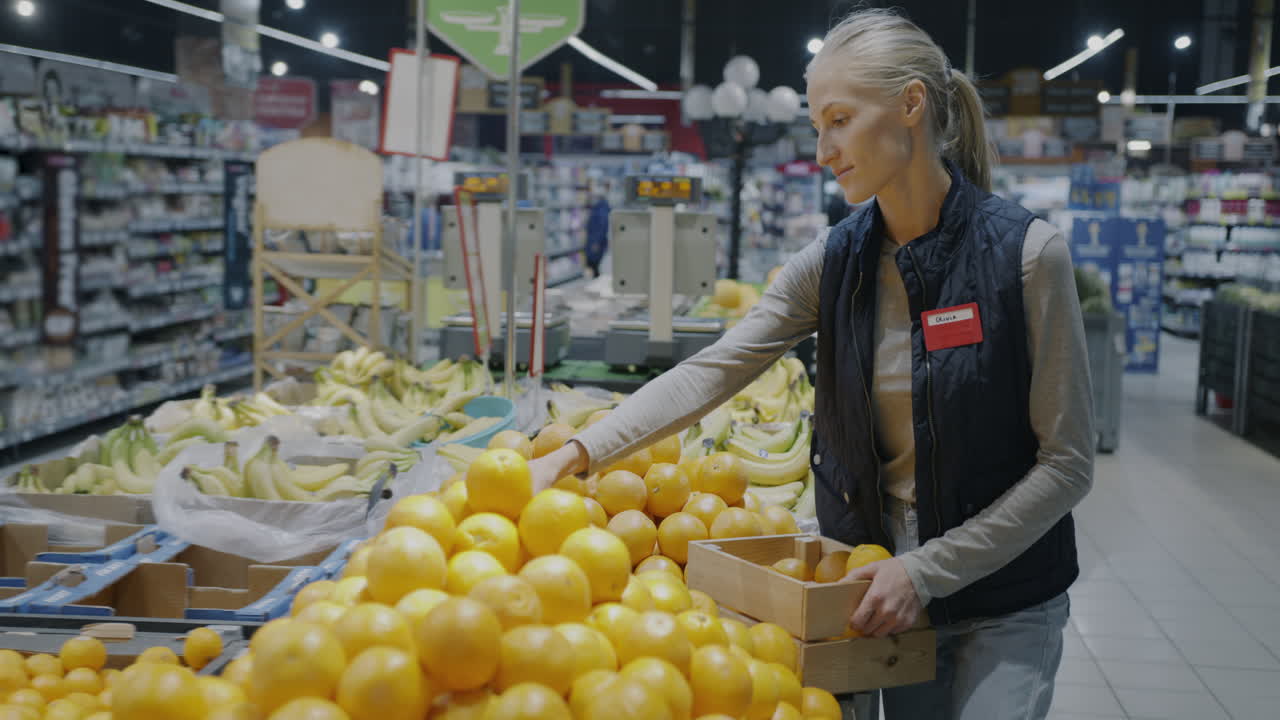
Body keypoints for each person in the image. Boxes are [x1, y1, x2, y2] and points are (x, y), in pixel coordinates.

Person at [528, 8, 1093, 720]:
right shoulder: (835, 261)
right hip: (879, 589)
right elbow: (716, 369)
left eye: (838, 120)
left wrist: (929, 569)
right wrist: (577, 451)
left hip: (1007, 596)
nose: (823, 148)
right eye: (815, 124)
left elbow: (1069, 461)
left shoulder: (1027, 257)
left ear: (910, 104)